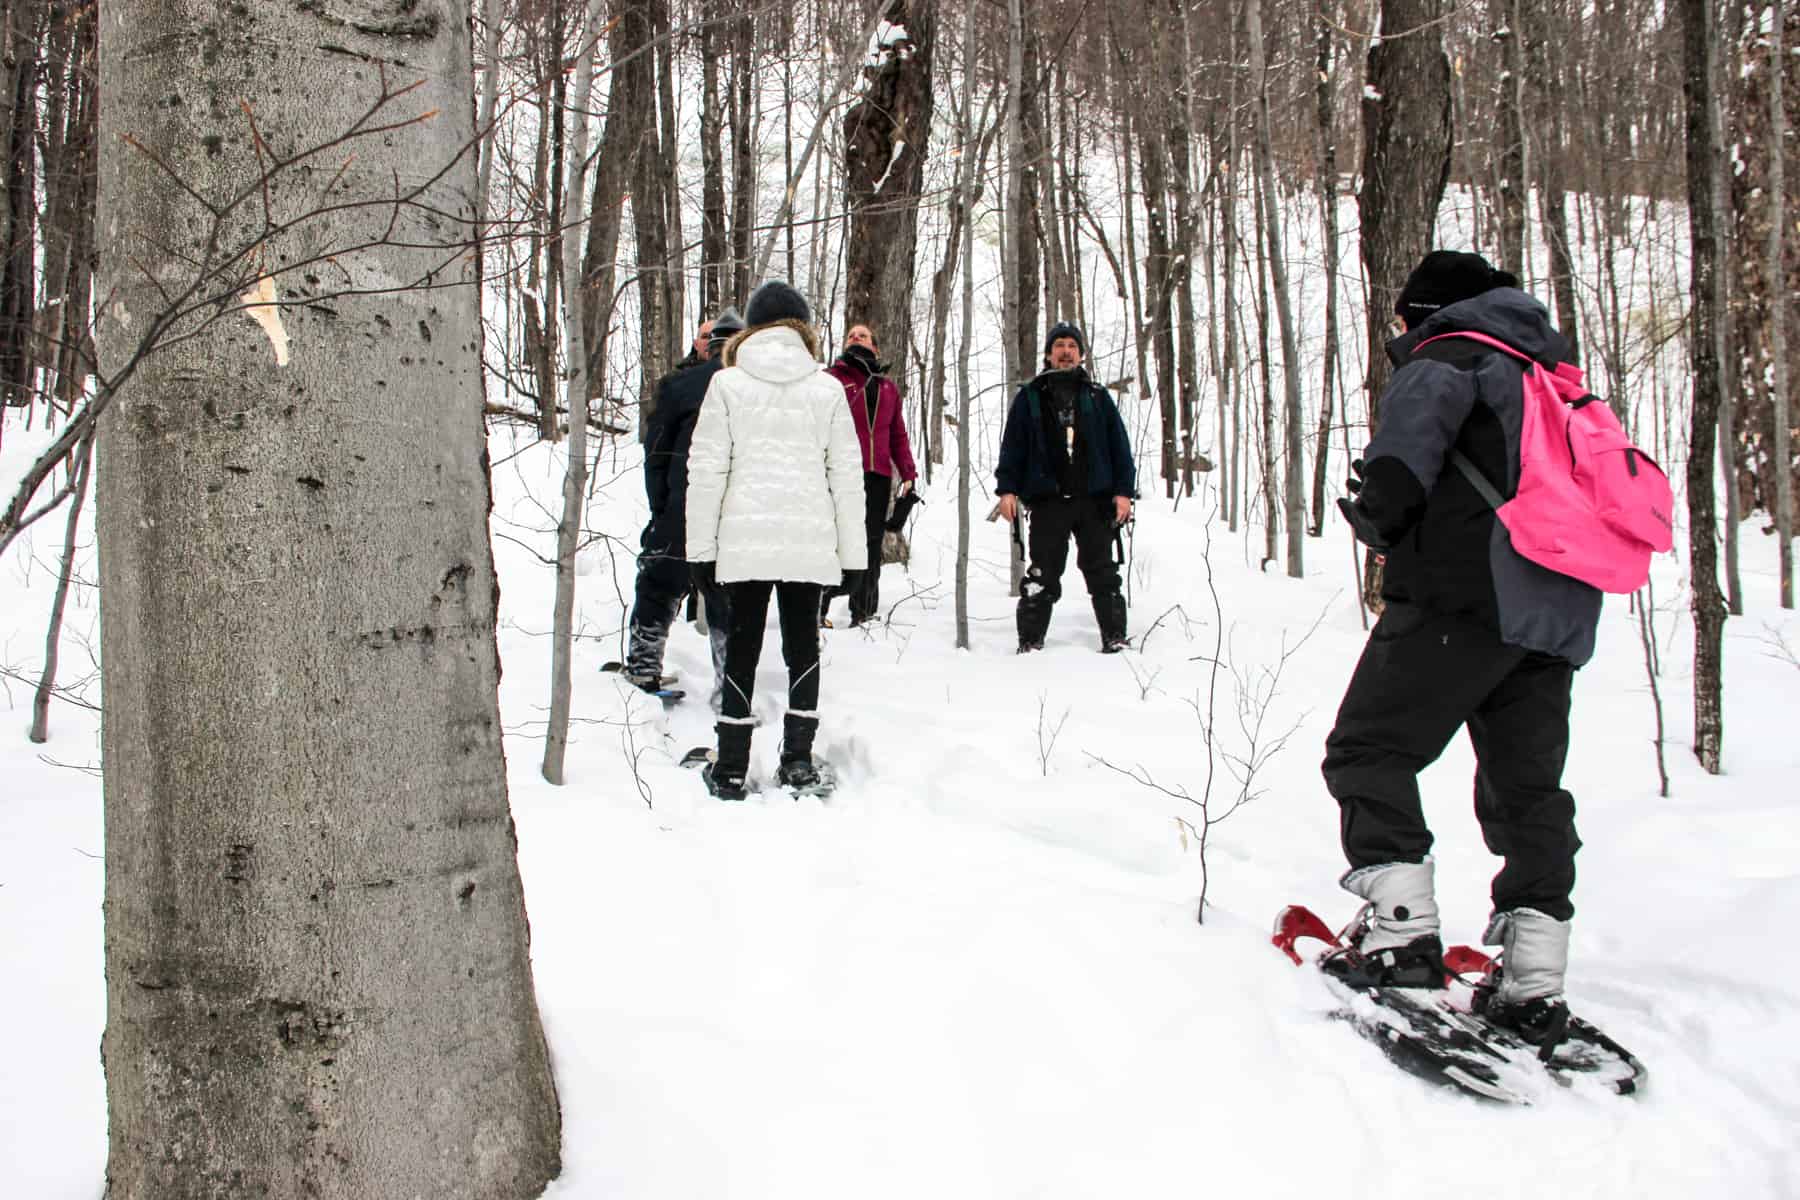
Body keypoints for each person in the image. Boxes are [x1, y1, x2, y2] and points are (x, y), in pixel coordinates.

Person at [1321, 249, 1601, 1043]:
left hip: (1465, 597)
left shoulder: (1450, 358)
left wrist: (1376, 520)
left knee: (1368, 749)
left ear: (1427, 313)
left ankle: (1401, 935)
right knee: (1527, 795)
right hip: (1556, 616)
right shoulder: (1551, 377)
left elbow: (1399, 476)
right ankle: (1533, 979)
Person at [685, 281, 866, 799]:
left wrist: (701, 551)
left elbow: (706, 473)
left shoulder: (727, 384)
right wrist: (853, 557)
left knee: (742, 646)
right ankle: (798, 762)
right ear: (802, 329)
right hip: (809, 543)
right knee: (802, 646)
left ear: (753, 328)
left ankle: (732, 768)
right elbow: (847, 479)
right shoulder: (827, 389)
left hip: (744, 541)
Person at [618, 308, 745, 709]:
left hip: (682, 505)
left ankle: (642, 666)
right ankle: (731, 690)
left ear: (711, 345)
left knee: (659, 584)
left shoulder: (679, 384)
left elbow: (655, 454)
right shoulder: (753, 389)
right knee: (729, 599)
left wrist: (662, 509)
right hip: (731, 513)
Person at [994, 321, 1135, 654]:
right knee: (1042, 573)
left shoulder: (1098, 397)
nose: (1066, 351)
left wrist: (1124, 493)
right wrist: (1007, 490)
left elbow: (1120, 449)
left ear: (1081, 354)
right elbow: (1012, 449)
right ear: (1048, 353)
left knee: (1103, 573)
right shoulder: (1029, 398)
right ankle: (1030, 643)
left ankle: (1115, 637)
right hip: (1048, 502)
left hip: (1094, 501)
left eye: (1072, 345)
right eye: (1059, 345)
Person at [819, 323, 918, 627]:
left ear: (876, 347)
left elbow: (897, 434)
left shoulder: (888, 387)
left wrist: (908, 473)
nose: (856, 338)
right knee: (835, 541)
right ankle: (817, 611)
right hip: (839, 474)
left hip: (877, 476)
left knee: (870, 543)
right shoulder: (831, 380)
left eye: (863, 335)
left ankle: (864, 613)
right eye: (851, 335)